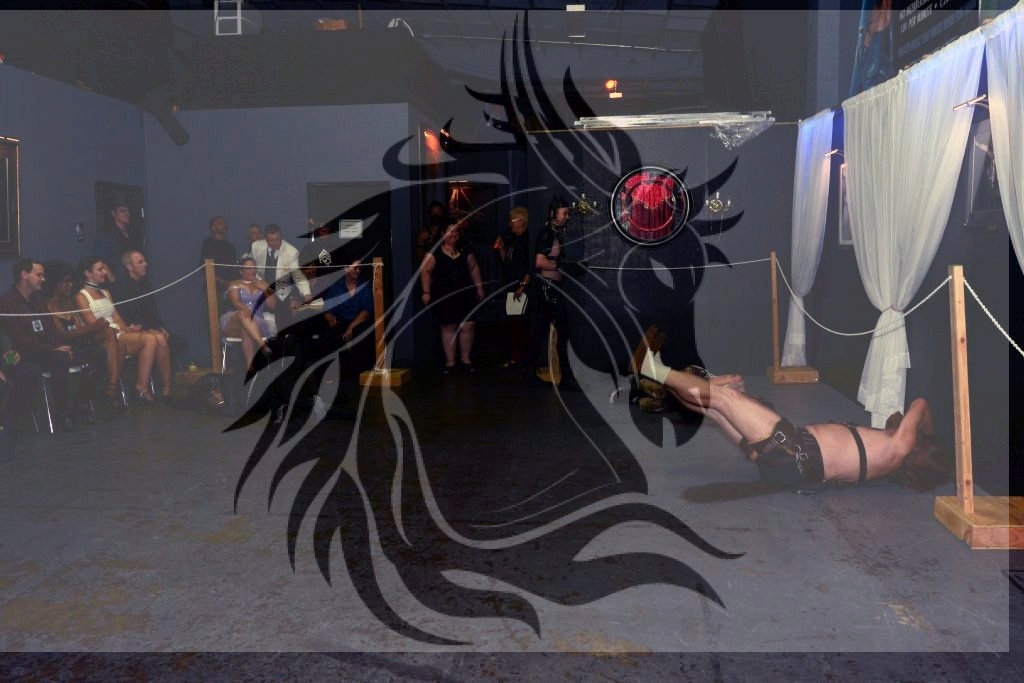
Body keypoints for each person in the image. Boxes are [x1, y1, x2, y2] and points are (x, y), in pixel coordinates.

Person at [630, 325, 949, 492]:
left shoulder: (899, 447)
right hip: (785, 466)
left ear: (918, 446)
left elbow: (920, 403)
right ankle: (663, 389)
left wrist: (927, 432)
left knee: (725, 399)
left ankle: (651, 369)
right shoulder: (889, 461)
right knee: (717, 408)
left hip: (795, 450)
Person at [75, 257, 171, 404]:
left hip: (118, 332)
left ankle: (164, 387)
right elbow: (92, 324)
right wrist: (120, 330)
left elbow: (117, 318)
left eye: (104, 268)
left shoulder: (105, 292)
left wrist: (128, 328)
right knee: (150, 339)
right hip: (104, 337)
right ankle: (141, 387)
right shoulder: (81, 296)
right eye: (100, 269)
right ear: (88, 273)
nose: (104, 272)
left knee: (159, 337)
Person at [520, 195, 588, 391]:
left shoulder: (553, 233)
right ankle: (560, 375)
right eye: (564, 213)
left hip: (550, 287)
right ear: (553, 214)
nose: (567, 216)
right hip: (547, 288)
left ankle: (534, 372)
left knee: (543, 331)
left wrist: (570, 267)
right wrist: (565, 267)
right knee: (557, 331)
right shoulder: (547, 234)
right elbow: (539, 262)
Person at [0, 259, 76, 431]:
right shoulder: (7, 302)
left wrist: (58, 346)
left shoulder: (39, 301)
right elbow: (17, 339)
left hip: (44, 351)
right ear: (24, 275)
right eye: (39, 275)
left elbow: (50, 329)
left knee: (66, 355)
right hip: (21, 354)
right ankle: (18, 420)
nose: (43, 279)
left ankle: (66, 413)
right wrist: (52, 349)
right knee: (42, 364)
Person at [43, 260, 124, 413]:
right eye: (66, 282)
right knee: (104, 348)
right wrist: (93, 326)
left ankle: (107, 390)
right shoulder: (48, 305)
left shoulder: (68, 302)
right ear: (55, 283)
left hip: (79, 343)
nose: (70, 285)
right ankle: (107, 392)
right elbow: (62, 334)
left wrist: (97, 326)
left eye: (71, 281)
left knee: (110, 338)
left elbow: (79, 328)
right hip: (62, 347)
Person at [420, 222, 484, 374]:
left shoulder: (466, 249)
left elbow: (473, 267)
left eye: (456, 231)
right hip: (444, 293)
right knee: (448, 326)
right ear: (443, 234)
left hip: (465, 292)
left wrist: (479, 287)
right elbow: (425, 271)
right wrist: (426, 292)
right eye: (450, 231)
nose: (454, 234)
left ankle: (466, 360)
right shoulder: (435, 251)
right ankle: (450, 363)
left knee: (468, 325)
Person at [113, 250, 189, 371]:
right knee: (159, 340)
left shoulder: (145, 284)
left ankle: (166, 380)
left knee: (178, 341)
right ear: (130, 267)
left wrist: (161, 327)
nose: (145, 264)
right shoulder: (120, 289)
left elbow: (152, 311)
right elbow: (127, 316)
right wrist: (148, 329)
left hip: (151, 327)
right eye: (140, 262)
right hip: (135, 329)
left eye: (144, 261)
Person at [220, 257, 277, 372]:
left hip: (257, 322)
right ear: (241, 271)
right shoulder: (235, 283)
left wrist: (265, 289)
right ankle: (263, 345)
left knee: (245, 328)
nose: (253, 271)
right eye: (249, 268)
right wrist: (249, 313)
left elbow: (272, 305)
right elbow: (235, 302)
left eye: (254, 268)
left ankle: (251, 369)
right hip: (235, 320)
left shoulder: (263, 283)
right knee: (243, 314)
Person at [323, 258, 375, 378]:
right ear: (346, 269)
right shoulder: (336, 287)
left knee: (362, 332)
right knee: (329, 335)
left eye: (359, 268)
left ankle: (361, 373)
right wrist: (330, 319)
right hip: (341, 321)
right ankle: (334, 375)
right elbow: (327, 309)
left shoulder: (364, 285)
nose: (358, 270)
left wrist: (351, 326)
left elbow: (367, 310)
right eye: (355, 268)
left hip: (358, 321)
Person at [494, 206, 532, 369]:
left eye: (512, 221)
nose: (510, 224)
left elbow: (530, 266)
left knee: (521, 323)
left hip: (522, 286)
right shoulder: (513, 239)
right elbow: (507, 262)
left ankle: (522, 359)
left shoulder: (527, 240)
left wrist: (522, 286)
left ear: (521, 221)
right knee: (513, 323)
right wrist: (501, 248)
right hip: (512, 283)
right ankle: (515, 358)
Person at [249, 224, 311, 304]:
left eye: (278, 239)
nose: (275, 243)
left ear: (281, 237)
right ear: (266, 240)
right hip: (261, 288)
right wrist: (261, 283)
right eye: (271, 240)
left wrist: (307, 293)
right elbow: (251, 268)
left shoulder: (292, 252)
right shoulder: (256, 247)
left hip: (281, 292)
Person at [95, 198, 145, 282]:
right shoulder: (106, 235)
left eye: (128, 211)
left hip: (133, 278)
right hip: (117, 278)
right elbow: (102, 261)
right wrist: (113, 281)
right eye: (122, 211)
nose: (126, 214)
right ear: (114, 213)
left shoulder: (133, 233)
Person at [199, 215, 239, 298]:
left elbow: (234, 267)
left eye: (225, 223)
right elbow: (205, 266)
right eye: (221, 223)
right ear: (213, 228)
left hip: (229, 288)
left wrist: (232, 283)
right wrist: (222, 282)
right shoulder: (208, 244)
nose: (224, 225)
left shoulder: (230, 247)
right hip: (213, 288)